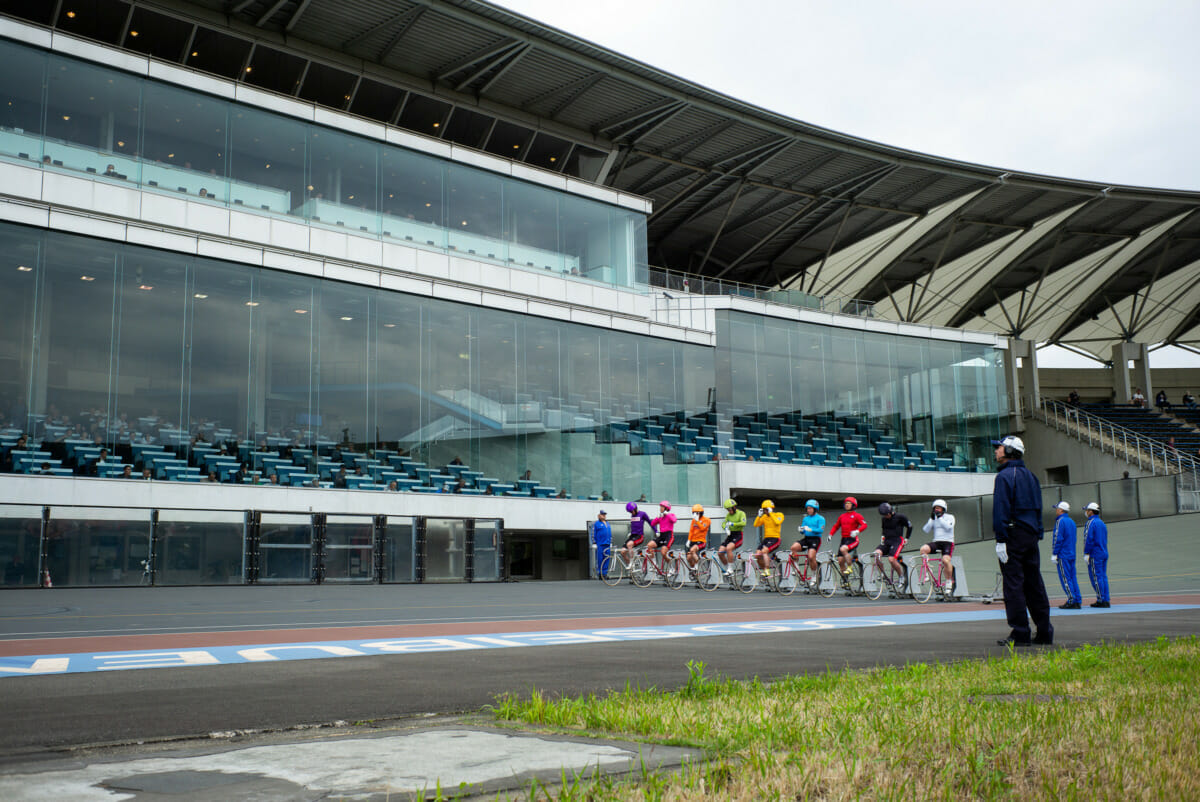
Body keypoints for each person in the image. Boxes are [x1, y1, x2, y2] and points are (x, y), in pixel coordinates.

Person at [992, 434, 1052, 646]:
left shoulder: (1004, 477)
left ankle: (1020, 632)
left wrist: (1001, 539)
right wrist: (1038, 532)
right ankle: (1044, 631)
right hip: (1030, 536)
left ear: (1009, 451)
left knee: (1014, 585)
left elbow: (1001, 510)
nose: (997, 450)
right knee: (1034, 584)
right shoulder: (1031, 476)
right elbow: (1038, 507)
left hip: (1012, 535)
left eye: (1000, 448)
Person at [1050, 501, 1081, 609]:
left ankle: (1071, 600)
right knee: (1073, 578)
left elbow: (1058, 538)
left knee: (1065, 578)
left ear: (1061, 510)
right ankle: (1077, 599)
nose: (1056, 510)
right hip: (1071, 553)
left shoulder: (1060, 521)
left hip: (1063, 554)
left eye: (1057, 508)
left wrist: (1055, 553)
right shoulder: (1071, 521)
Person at [920, 499, 956, 592]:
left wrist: (940, 518)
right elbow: (926, 530)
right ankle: (928, 571)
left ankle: (948, 581)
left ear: (943, 509)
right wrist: (931, 519)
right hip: (937, 542)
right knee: (923, 549)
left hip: (948, 542)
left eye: (939, 508)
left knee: (945, 560)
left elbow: (948, 527)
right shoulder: (934, 518)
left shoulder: (950, 517)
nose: (937, 510)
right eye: (935, 508)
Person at [873, 502, 911, 589]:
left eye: (887, 515)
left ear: (890, 512)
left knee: (891, 559)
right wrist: (882, 537)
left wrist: (907, 538)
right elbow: (884, 529)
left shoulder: (900, 517)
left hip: (897, 540)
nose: (886, 516)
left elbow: (910, 526)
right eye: (884, 515)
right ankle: (882, 573)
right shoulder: (884, 519)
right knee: (876, 554)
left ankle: (901, 576)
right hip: (887, 541)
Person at [789, 499, 826, 587]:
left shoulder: (820, 518)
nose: (808, 510)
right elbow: (803, 530)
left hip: (815, 540)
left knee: (811, 556)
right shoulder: (805, 518)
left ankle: (814, 575)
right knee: (793, 548)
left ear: (815, 509)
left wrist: (811, 529)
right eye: (807, 508)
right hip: (806, 539)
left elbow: (821, 530)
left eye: (810, 508)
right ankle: (797, 569)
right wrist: (801, 530)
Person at [829, 496, 867, 576]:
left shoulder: (857, 515)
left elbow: (864, 525)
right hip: (844, 539)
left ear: (853, 505)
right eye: (846, 503)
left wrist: (857, 531)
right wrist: (830, 534)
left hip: (853, 539)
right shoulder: (842, 516)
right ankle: (845, 580)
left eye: (849, 503)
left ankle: (850, 567)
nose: (847, 505)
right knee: (840, 561)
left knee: (843, 549)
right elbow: (836, 526)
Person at [1082, 502, 1110, 608]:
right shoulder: (1102, 523)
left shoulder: (1091, 522)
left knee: (1096, 577)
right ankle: (1106, 599)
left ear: (1091, 511)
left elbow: (1088, 539)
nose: (1086, 512)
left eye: (1087, 510)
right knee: (1103, 576)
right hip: (1103, 552)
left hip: (1095, 553)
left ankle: (1101, 599)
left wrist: (1086, 552)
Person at [752, 499, 783, 578]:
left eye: (766, 509)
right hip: (766, 539)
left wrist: (771, 513)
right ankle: (765, 571)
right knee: (757, 554)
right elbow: (756, 524)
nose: (765, 511)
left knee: (764, 551)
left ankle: (767, 570)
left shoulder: (779, 515)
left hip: (775, 538)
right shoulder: (764, 517)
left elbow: (777, 522)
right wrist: (759, 516)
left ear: (771, 508)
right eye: (764, 509)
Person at [717, 498, 746, 576]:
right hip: (730, 534)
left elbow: (743, 523)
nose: (729, 511)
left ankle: (730, 568)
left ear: (734, 507)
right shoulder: (728, 515)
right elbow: (724, 523)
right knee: (720, 552)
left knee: (728, 548)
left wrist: (733, 524)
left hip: (738, 534)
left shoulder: (741, 513)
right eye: (727, 509)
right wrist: (725, 527)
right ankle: (728, 568)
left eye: (730, 509)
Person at [685, 504, 711, 571]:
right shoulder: (694, 520)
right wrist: (689, 540)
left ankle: (697, 566)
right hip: (693, 541)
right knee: (688, 557)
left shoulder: (707, 520)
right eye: (694, 513)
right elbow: (691, 531)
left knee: (692, 550)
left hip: (701, 541)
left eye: (696, 513)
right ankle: (694, 571)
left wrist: (698, 521)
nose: (695, 514)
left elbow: (702, 528)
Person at [592, 509, 612, 579]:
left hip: (607, 543)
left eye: (604, 515)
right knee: (600, 559)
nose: (604, 516)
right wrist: (594, 542)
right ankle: (600, 574)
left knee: (607, 558)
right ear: (599, 515)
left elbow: (610, 533)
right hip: (600, 544)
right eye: (602, 514)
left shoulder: (607, 523)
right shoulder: (596, 523)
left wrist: (610, 541)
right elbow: (593, 533)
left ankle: (605, 573)